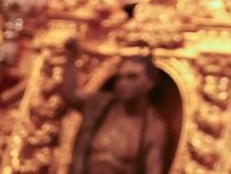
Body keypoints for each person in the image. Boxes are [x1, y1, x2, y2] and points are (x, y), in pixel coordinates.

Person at [63, 39, 169, 174]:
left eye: (132, 77)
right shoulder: (100, 104)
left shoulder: (154, 127)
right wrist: (71, 56)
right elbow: (70, 95)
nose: (123, 83)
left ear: (150, 83)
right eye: (120, 77)